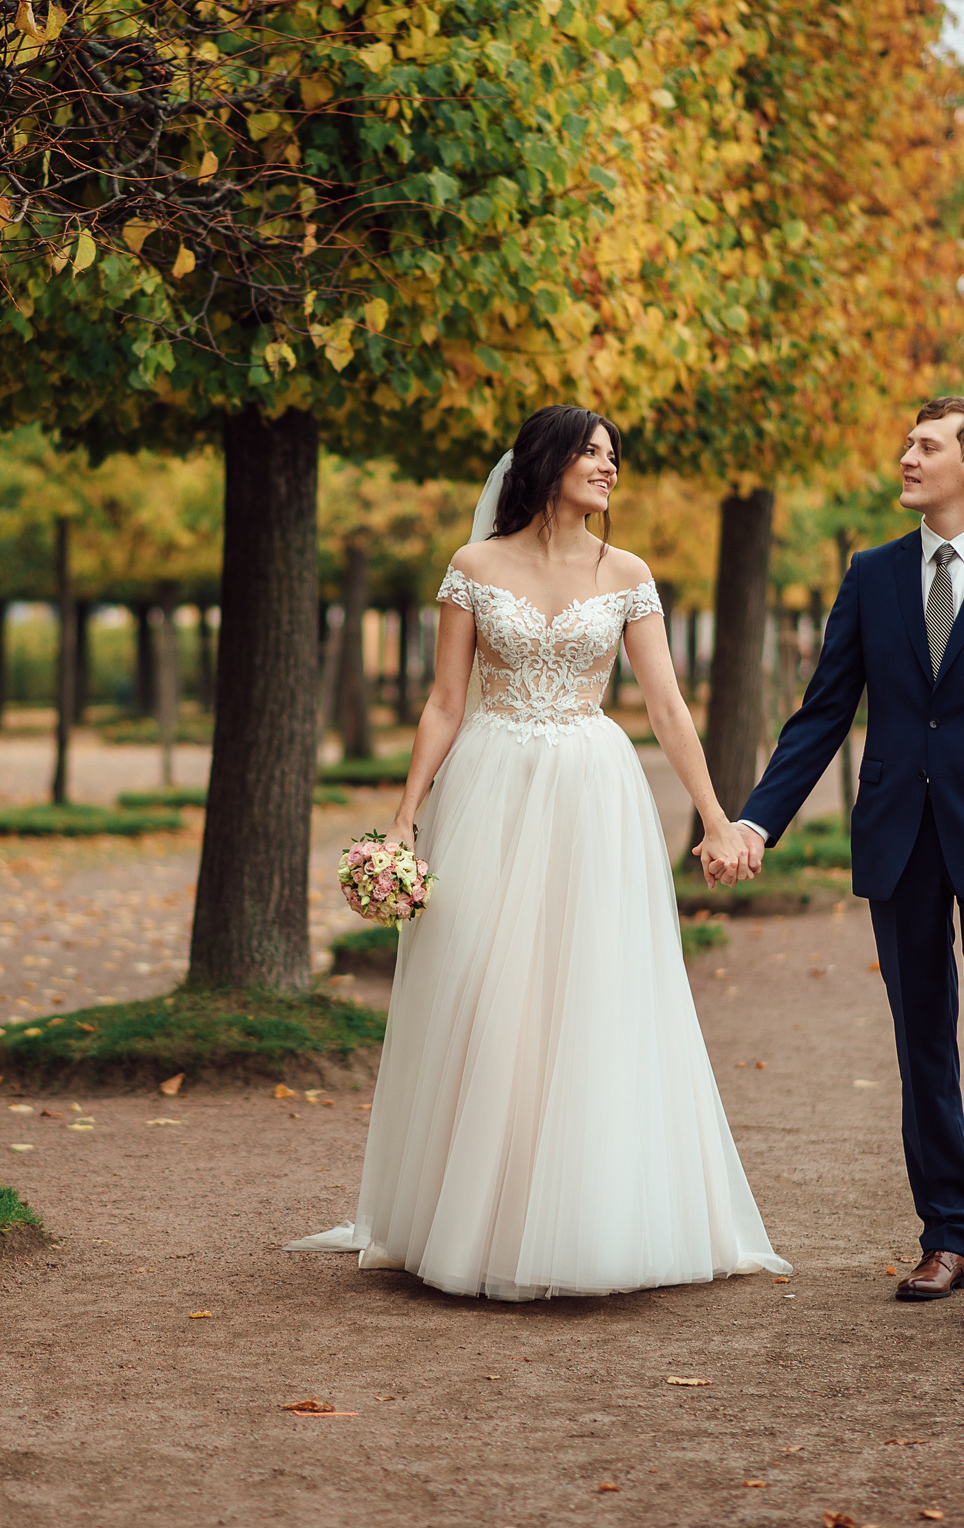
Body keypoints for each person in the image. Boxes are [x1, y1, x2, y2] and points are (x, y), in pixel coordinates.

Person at [286, 405, 789, 1300]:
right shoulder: (474, 568)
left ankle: (585, 1215)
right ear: (546, 461)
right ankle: (479, 1213)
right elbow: (445, 701)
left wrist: (716, 817)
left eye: (613, 456)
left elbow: (668, 708)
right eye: (592, 452)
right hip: (490, 783)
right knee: (484, 989)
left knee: (586, 989)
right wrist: (404, 819)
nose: (608, 467)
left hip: (594, 794)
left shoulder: (626, 572)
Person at [723, 396, 964, 1317]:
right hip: (899, 840)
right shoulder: (873, 574)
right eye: (907, 444)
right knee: (923, 1042)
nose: (905, 458)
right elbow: (823, 712)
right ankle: (946, 1237)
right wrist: (759, 823)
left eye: (925, 447)